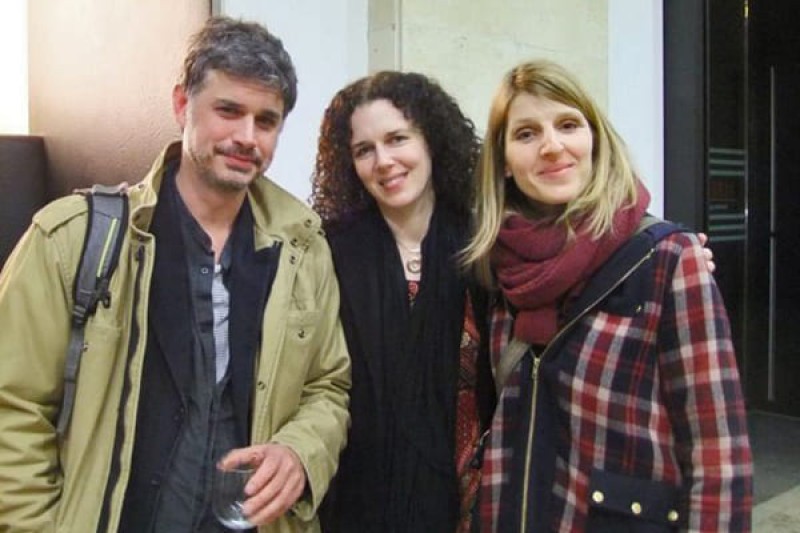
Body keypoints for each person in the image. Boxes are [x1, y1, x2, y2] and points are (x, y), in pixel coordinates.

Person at [0, 16, 350, 533]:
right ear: (183, 104)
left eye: (266, 120)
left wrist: (300, 451)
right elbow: (14, 406)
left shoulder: (303, 247)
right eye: (228, 111)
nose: (246, 137)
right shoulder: (71, 239)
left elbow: (329, 385)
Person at [461, 59, 752, 532]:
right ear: (506, 164)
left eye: (568, 124)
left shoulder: (668, 259)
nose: (552, 146)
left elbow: (719, 453)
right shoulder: (498, 272)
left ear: (594, 139)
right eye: (527, 133)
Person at [310, 71, 491, 532]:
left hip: (470, 505)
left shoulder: (485, 244)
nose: (384, 161)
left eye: (397, 139)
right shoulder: (327, 252)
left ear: (429, 139)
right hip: (355, 507)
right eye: (364, 150)